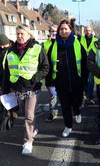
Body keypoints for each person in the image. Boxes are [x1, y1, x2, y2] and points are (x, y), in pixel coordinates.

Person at [2, 24, 49, 155]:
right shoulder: (10, 51)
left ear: (29, 35)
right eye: (18, 34)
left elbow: (45, 67)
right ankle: (34, 128)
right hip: (17, 89)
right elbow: (6, 72)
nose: (20, 36)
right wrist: (5, 90)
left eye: (22, 33)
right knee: (23, 113)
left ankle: (28, 141)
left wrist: (34, 78)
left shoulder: (37, 48)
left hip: (32, 89)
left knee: (28, 116)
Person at [45, 19, 88, 137]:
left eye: (66, 29)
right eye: (61, 29)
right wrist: (50, 81)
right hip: (61, 83)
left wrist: (84, 79)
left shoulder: (78, 43)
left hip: (77, 81)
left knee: (77, 102)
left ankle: (78, 112)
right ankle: (68, 126)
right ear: (58, 31)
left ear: (70, 30)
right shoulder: (54, 45)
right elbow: (49, 64)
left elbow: (85, 62)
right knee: (65, 106)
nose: (63, 31)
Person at [42, 25, 59, 122]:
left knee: (62, 94)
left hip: (61, 74)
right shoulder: (45, 44)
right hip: (49, 74)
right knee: (53, 94)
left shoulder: (61, 43)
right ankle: (53, 113)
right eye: (52, 31)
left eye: (56, 31)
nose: (54, 33)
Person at [79, 26, 98, 105]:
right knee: (83, 80)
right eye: (86, 30)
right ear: (84, 31)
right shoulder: (80, 39)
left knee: (91, 81)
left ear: (92, 31)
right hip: (82, 62)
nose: (88, 32)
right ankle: (83, 94)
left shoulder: (96, 40)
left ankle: (90, 97)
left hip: (92, 62)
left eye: (89, 30)